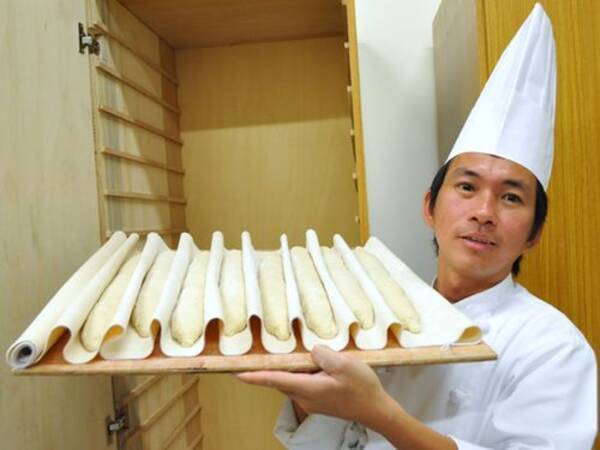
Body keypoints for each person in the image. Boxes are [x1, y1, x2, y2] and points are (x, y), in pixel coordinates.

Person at [237, 4, 597, 449]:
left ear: (534, 233)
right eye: (467, 187)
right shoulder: (381, 319)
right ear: (429, 206)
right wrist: (305, 392)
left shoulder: (552, 347)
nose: (484, 212)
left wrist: (379, 413)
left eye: (510, 197)